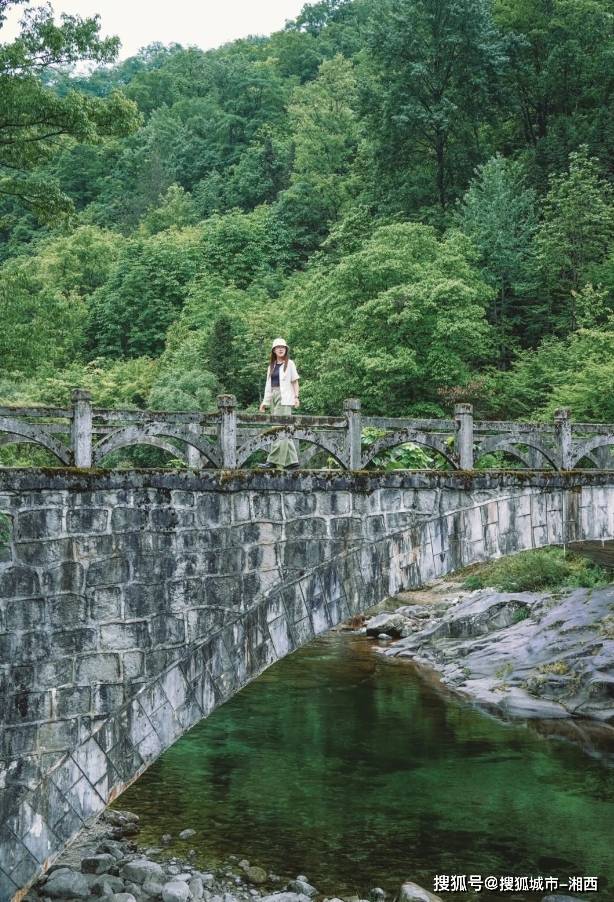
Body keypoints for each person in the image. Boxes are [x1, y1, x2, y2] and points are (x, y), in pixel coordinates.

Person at [258, 338, 300, 469]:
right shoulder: (271, 366)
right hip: (274, 397)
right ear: (274, 350)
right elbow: (268, 386)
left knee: (279, 428)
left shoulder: (290, 364)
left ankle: (272, 460)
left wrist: (296, 397)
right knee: (284, 428)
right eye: (278, 347)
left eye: (283, 347)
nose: (281, 349)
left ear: (286, 349)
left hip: (285, 398)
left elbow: (295, 381)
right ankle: (293, 461)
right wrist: (264, 402)